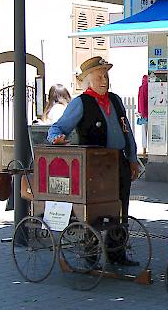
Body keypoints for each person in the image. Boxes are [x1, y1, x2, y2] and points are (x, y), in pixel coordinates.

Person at [47, 56, 140, 266]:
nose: (104, 80)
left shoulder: (115, 100)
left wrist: (132, 158)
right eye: (99, 76)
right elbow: (58, 128)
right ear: (88, 80)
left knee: (121, 208)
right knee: (95, 211)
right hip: (95, 167)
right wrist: (56, 139)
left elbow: (127, 131)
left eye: (106, 75)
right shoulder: (81, 103)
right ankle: (90, 255)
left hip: (118, 162)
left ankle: (117, 254)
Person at [137, 75, 149, 156]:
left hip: (144, 113)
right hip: (152, 113)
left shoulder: (142, 88)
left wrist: (141, 112)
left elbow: (141, 101)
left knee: (144, 132)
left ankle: (144, 150)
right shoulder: (152, 87)